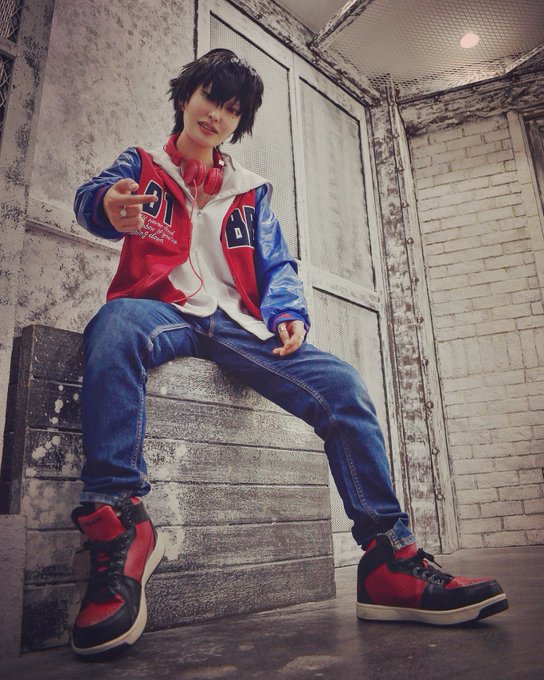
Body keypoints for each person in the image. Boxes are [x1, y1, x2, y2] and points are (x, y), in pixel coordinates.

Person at [71, 49, 508, 657]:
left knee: (343, 384)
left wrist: (288, 315)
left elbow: (277, 266)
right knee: (113, 325)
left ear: (238, 122)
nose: (217, 114)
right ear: (185, 96)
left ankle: (390, 559)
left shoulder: (250, 192)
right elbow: (94, 196)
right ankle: (120, 523)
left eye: (232, 109)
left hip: (237, 323)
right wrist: (107, 206)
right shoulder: (142, 164)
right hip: (161, 308)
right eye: (210, 97)